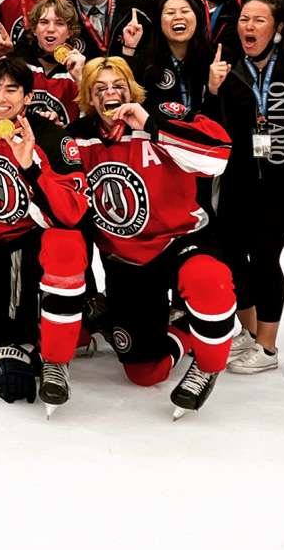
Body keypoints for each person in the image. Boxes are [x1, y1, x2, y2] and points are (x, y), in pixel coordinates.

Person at [63, 58, 234, 417]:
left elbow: (217, 157)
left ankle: (208, 363)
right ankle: (184, 329)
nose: (110, 94)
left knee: (208, 280)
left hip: (180, 239)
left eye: (117, 86)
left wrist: (151, 125)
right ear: (89, 98)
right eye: (100, 88)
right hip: (127, 258)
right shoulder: (78, 136)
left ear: (131, 89)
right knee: (144, 373)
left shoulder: (160, 113)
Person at [0, 57, 89, 409]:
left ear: (28, 97)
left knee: (11, 369)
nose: (0, 98)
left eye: (12, 90)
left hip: (30, 245)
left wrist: (30, 165)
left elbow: (69, 213)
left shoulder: (52, 136)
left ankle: (54, 340)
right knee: (0, 351)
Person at [204, 0, 284, 375]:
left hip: (282, 182)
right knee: (229, 254)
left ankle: (268, 347)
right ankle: (251, 330)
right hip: (239, 179)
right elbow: (212, 124)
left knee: (263, 257)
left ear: (276, 30)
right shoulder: (228, 68)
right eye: (245, 19)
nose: (249, 27)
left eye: (260, 20)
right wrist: (212, 90)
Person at [0, 0, 83, 126]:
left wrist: (81, 79)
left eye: (59, 23)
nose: (51, 29)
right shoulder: (18, 64)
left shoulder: (80, 69)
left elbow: (92, 119)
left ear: (70, 31)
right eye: (44, 22)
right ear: (34, 29)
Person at [144, 0, 211, 113]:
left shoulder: (213, 60)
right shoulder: (145, 63)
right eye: (170, 13)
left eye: (185, 11)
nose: (178, 17)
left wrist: (214, 90)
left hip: (203, 130)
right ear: (159, 22)